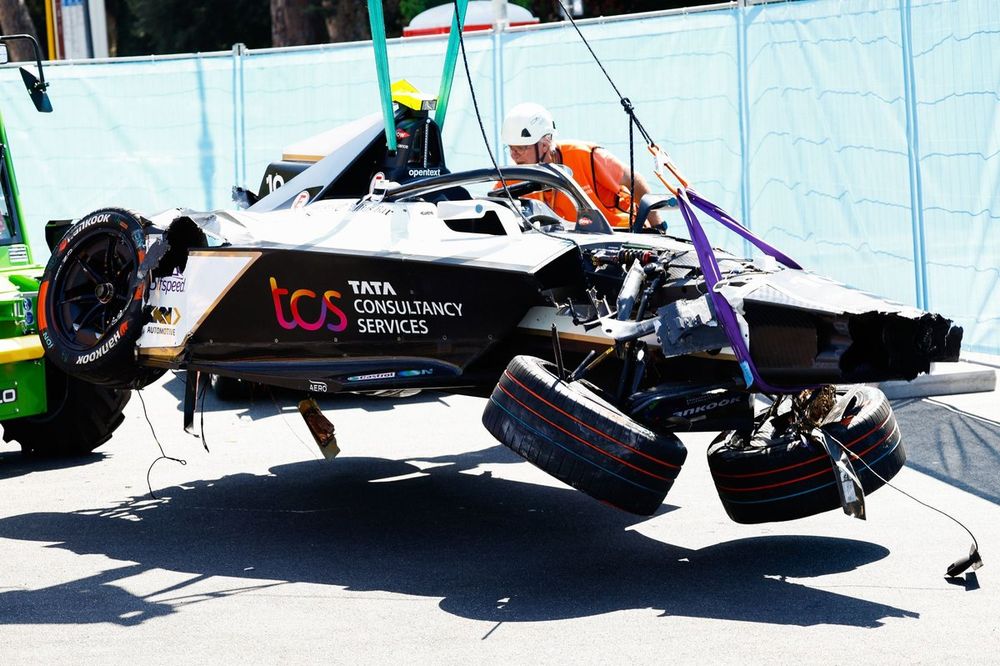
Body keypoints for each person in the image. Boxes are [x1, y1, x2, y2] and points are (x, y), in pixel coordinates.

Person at [500, 102, 662, 228]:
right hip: (571, 250)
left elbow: (633, 179)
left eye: (521, 148)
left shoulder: (586, 156)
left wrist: (658, 227)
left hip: (621, 238)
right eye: (511, 148)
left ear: (545, 143)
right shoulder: (512, 178)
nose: (514, 155)